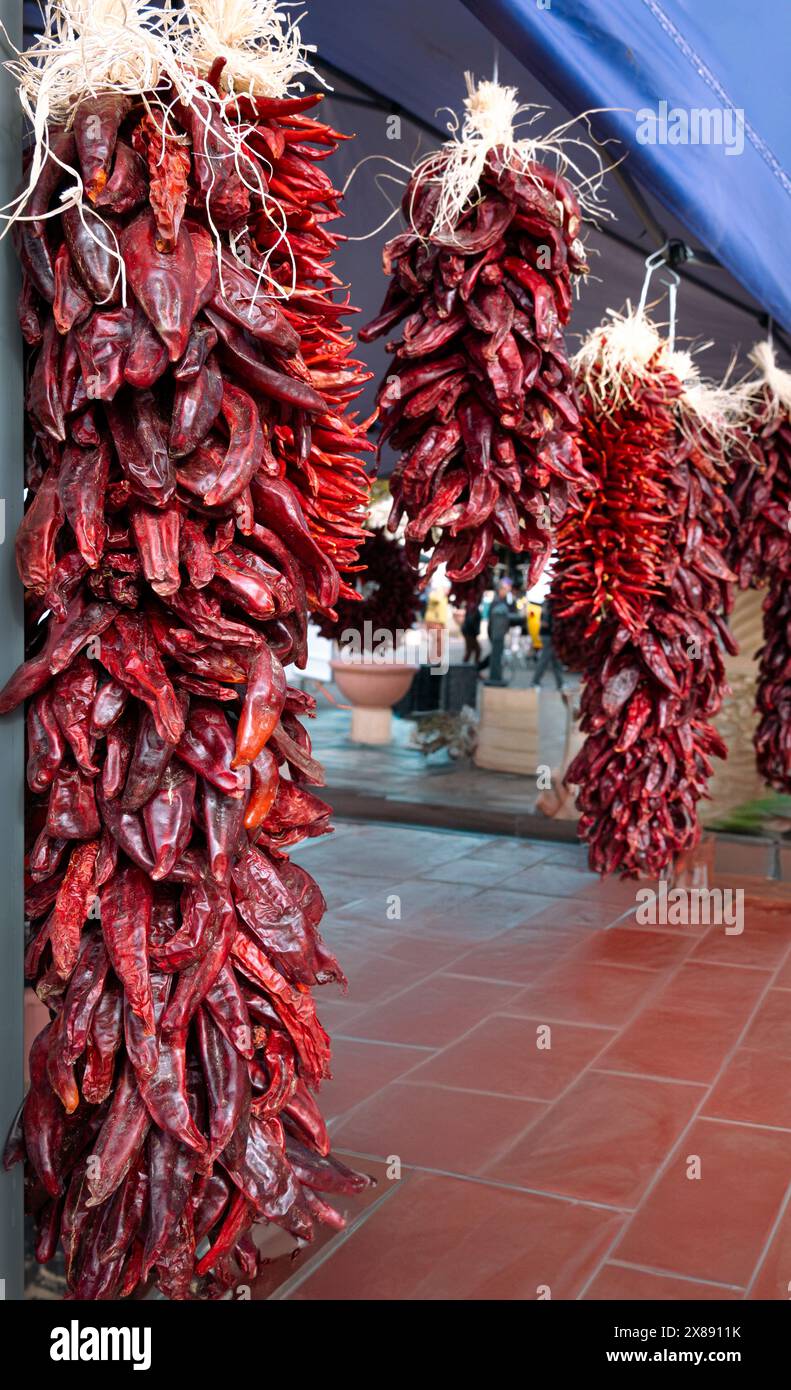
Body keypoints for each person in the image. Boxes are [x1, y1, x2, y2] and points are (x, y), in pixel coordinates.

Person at [478, 580, 513, 684]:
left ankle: (483, 669)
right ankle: (481, 668)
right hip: (495, 632)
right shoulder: (497, 601)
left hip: (499, 632)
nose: (506, 592)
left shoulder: (505, 600)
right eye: (505, 589)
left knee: (495, 654)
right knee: (495, 654)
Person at [532, 599, 565, 692]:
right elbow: (545, 623)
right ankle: (535, 682)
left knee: (556, 660)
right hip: (548, 636)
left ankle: (560, 683)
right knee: (544, 659)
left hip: (551, 635)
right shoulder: (549, 604)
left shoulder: (551, 603)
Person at [461, 599, 482, 664]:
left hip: (470, 632)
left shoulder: (473, 607)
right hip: (470, 633)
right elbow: (470, 621)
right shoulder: (473, 607)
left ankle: (466, 666)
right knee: (476, 650)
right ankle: (474, 667)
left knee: (471, 650)